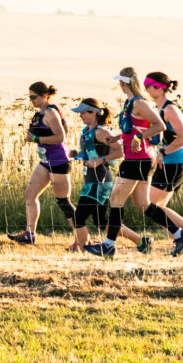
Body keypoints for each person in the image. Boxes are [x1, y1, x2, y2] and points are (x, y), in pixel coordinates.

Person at [96, 70, 162, 257]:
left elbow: (159, 125)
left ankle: (108, 245)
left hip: (137, 159)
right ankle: (177, 232)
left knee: (116, 200)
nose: (120, 86)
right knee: (143, 204)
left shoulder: (140, 102)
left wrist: (139, 138)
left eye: (121, 83)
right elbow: (133, 128)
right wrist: (117, 137)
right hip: (136, 158)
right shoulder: (130, 103)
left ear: (125, 84)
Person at [8, 82, 73, 245]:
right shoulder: (39, 113)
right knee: (30, 194)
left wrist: (37, 138)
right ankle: (30, 234)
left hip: (58, 161)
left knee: (63, 202)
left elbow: (61, 137)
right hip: (45, 161)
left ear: (45, 96)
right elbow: (29, 134)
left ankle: (82, 236)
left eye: (33, 97)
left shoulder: (51, 113)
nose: (31, 100)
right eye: (29, 97)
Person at [142, 73, 183, 254]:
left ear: (158, 87)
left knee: (148, 203)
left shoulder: (169, 109)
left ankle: (179, 236)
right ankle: (179, 237)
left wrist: (164, 152)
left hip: (175, 162)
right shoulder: (158, 108)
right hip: (167, 162)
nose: (146, 90)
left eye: (148, 86)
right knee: (158, 207)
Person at [69, 99, 116, 256]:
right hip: (91, 180)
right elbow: (90, 152)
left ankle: (83, 250)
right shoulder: (86, 131)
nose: (80, 115)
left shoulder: (101, 132)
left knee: (79, 216)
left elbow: (120, 151)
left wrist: (99, 161)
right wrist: (77, 154)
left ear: (94, 112)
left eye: (83, 112)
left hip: (100, 180)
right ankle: (141, 241)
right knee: (101, 222)